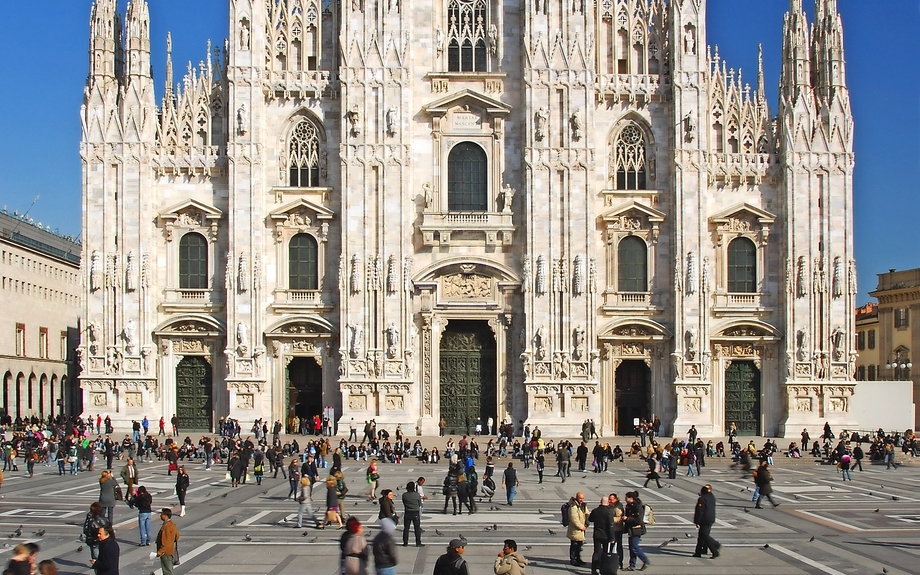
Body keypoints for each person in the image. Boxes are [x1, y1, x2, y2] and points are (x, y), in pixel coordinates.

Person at [623, 491, 650, 571]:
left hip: (637, 529)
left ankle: (645, 560)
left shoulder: (638, 507)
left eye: (626, 498)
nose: (625, 499)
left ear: (631, 498)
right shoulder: (629, 506)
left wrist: (627, 519)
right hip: (630, 529)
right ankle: (632, 565)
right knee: (631, 548)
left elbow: (638, 520)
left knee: (634, 547)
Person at [588, 496, 615, 575]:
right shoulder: (609, 512)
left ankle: (593, 569)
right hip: (606, 535)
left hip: (597, 534)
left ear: (600, 502)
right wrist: (612, 537)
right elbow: (610, 526)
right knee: (605, 552)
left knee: (596, 552)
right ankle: (602, 569)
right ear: (607, 503)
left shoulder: (595, 511)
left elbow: (590, 519)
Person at [693, 484, 721, 558]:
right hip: (711, 518)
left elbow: (700, 512)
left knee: (705, 536)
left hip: (704, 519)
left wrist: (697, 522)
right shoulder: (712, 497)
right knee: (702, 536)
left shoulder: (702, 499)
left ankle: (715, 548)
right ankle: (700, 551)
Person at [155, 507, 180, 575]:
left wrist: (160, 552)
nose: (160, 516)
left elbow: (165, 542)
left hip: (165, 553)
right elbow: (177, 536)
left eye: (161, 514)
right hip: (170, 550)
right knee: (169, 569)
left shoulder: (166, 527)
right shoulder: (172, 524)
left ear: (165, 516)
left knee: (167, 571)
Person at [565, 492, 588, 566]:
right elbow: (574, 519)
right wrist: (582, 527)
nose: (582, 500)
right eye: (580, 498)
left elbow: (587, 514)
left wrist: (587, 523)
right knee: (574, 545)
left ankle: (578, 558)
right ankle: (573, 559)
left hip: (581, 530)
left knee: (579, 545)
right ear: (577, 498)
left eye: (582, 498)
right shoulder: (573, 507)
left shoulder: (583, 505)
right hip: (575, 530)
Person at [401, 481, 423, 547]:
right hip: (415, 512)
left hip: (407, 512)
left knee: (406, 528)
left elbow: (404, 502)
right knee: (417, 528)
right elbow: (420, 504)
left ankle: (405, 542)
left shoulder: (404, 495)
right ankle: (418, 542)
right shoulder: (417, 495)